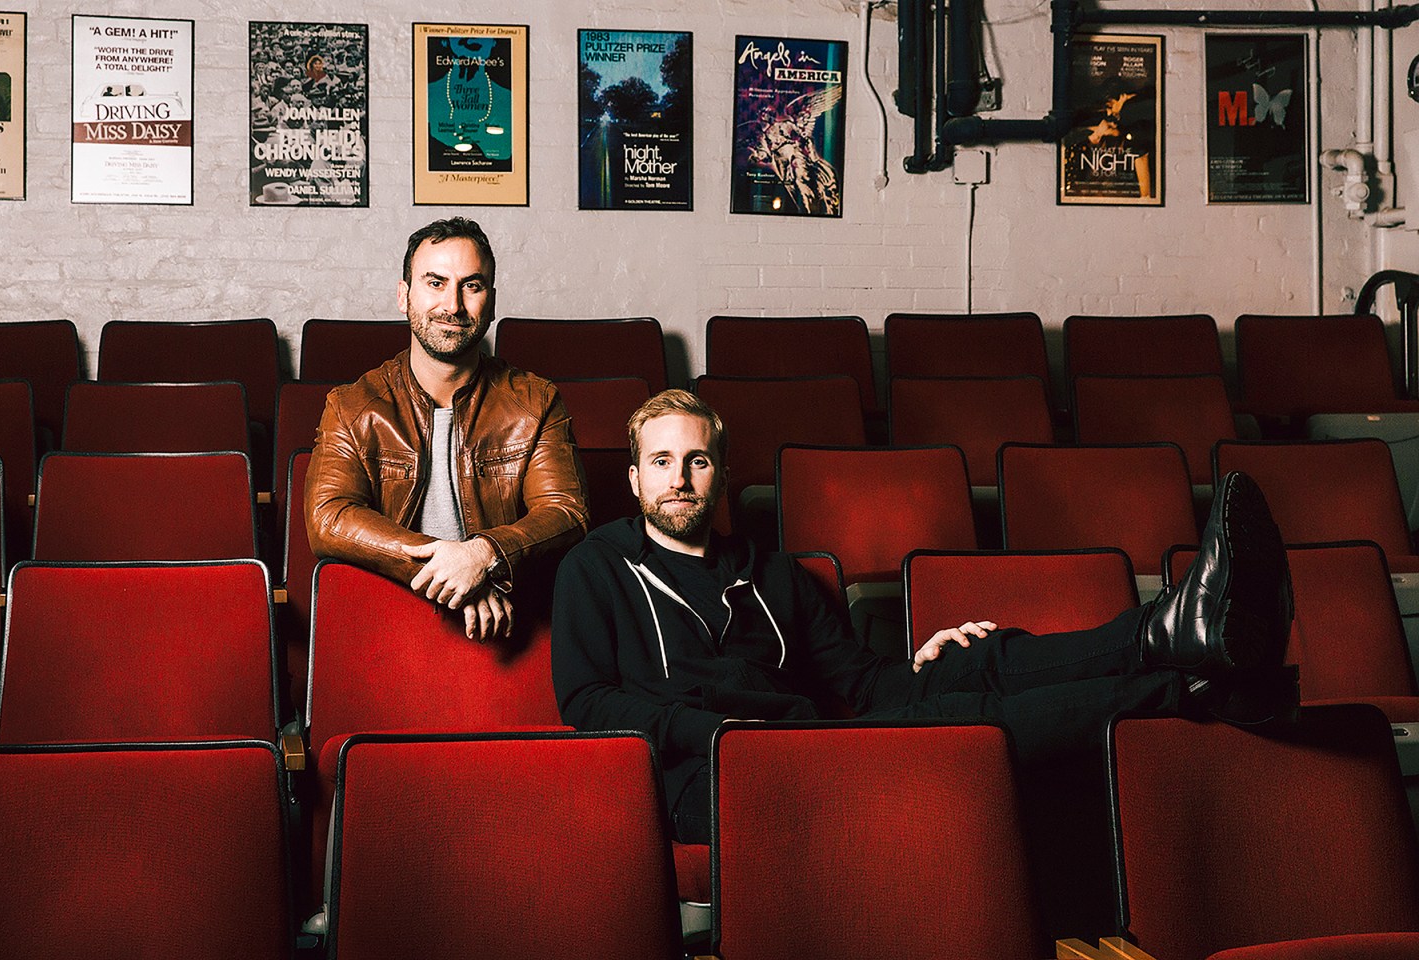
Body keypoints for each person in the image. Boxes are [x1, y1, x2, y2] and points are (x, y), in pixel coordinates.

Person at [551, 389, 1295, 937]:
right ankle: (1202, 682)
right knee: (965, 724)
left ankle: (1177, 642)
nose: (679, 477)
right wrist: (707, 729)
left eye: (697, 459)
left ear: (719, 470)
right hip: (711, 773)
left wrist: (924, 664)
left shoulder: (773, 572)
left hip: (819, 745)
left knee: (977, 659)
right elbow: (586, 699)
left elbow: (862, 682)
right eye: (661, 461)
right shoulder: (597, 566)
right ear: (635, 479)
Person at [306, 217, 588, 642]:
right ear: (404, 296)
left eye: (471, 286)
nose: (453, 305)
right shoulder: (352, 406)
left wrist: (484, 554)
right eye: (435, 283)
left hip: (506, 626)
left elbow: (567, 512)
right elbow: (329, 518)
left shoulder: (535, 402)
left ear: (490, 302)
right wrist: (454, 574)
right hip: (390, 624)